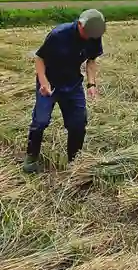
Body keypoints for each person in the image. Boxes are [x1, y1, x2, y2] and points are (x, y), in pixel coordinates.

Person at [23, 9, 106, 174]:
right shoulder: (59, 34)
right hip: (49, 83)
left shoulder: (94, 36)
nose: (90, 36)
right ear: (80, 24)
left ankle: (74, 161)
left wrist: (91, 84)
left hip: (73, 84)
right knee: (40, 122)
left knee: (78, 124)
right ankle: (31, 156)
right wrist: (44, 81)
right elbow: (40, 58)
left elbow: (91, 61)